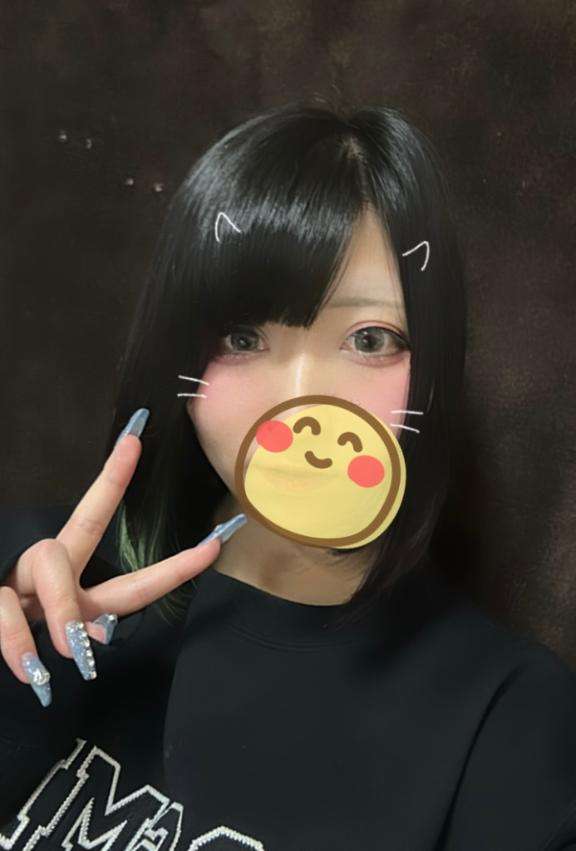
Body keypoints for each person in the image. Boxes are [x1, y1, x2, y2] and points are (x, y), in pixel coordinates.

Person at [1, 100, 576, 850]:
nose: (300, 400)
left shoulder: (510, 723)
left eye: (370, 339)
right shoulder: (26, 580)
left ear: (437, 365)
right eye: (242, 337)